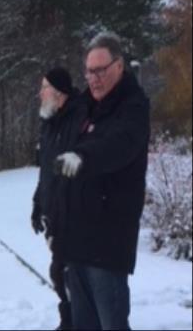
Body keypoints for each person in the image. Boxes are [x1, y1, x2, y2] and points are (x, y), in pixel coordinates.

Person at [54, 33, 150, 331]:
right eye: (89, 71)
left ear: (119, 66)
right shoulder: (85, 106)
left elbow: (116, 145)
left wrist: (82, 157)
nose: (93, 78)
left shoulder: (133, 107)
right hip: (77, 241)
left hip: (107, 244)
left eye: (100, 70)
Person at [31, 67, 82, 331]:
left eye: (44, 88)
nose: (40, 94)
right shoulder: (49, 124)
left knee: (70, 276)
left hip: (73, 216)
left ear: (59, 93)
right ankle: (68, 322)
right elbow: (46, 171)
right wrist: (38, 204)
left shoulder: (77, 118)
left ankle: (76, 323)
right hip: (54, 213)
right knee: (59, 275)